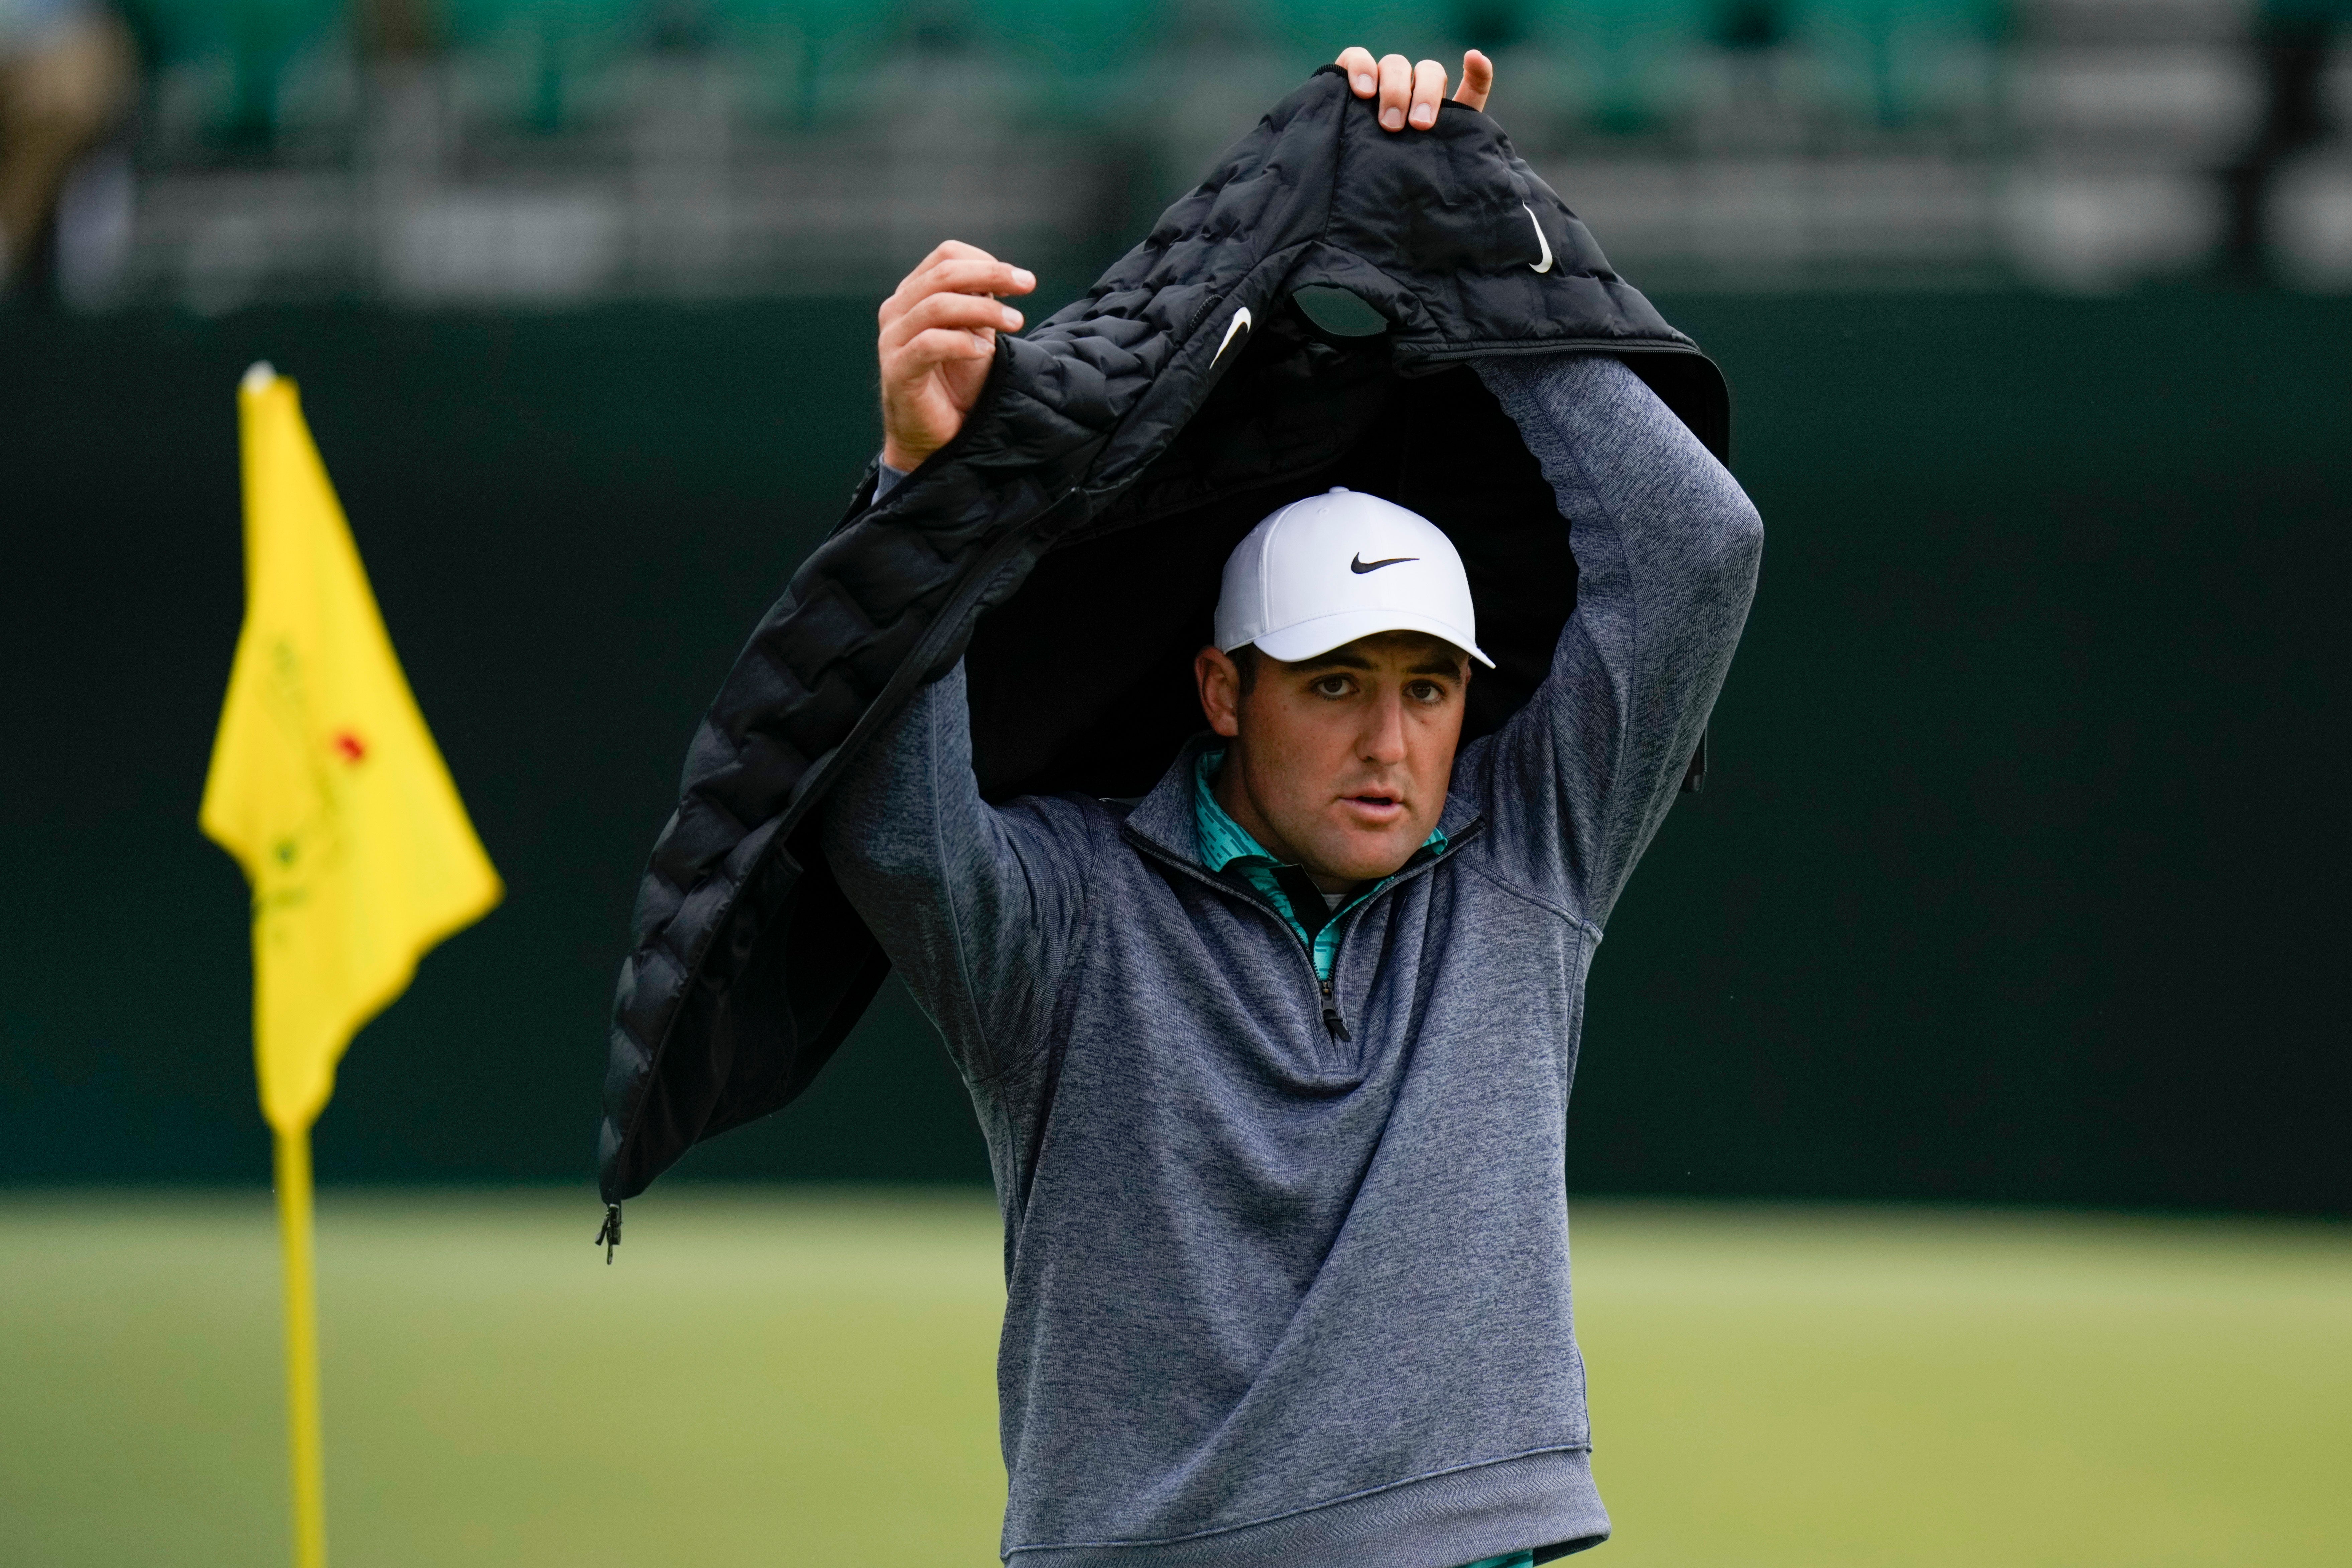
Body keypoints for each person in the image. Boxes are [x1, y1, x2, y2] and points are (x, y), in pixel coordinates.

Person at [813, 46, 1765, 1568]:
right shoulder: (1071, 913)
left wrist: (1462, 206)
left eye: (1430, 688)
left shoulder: (1529, 853)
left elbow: (1697, 544)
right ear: (1221, 692)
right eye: (1334, 686)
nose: (1393, 741)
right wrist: (920, 487)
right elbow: (891, 828)